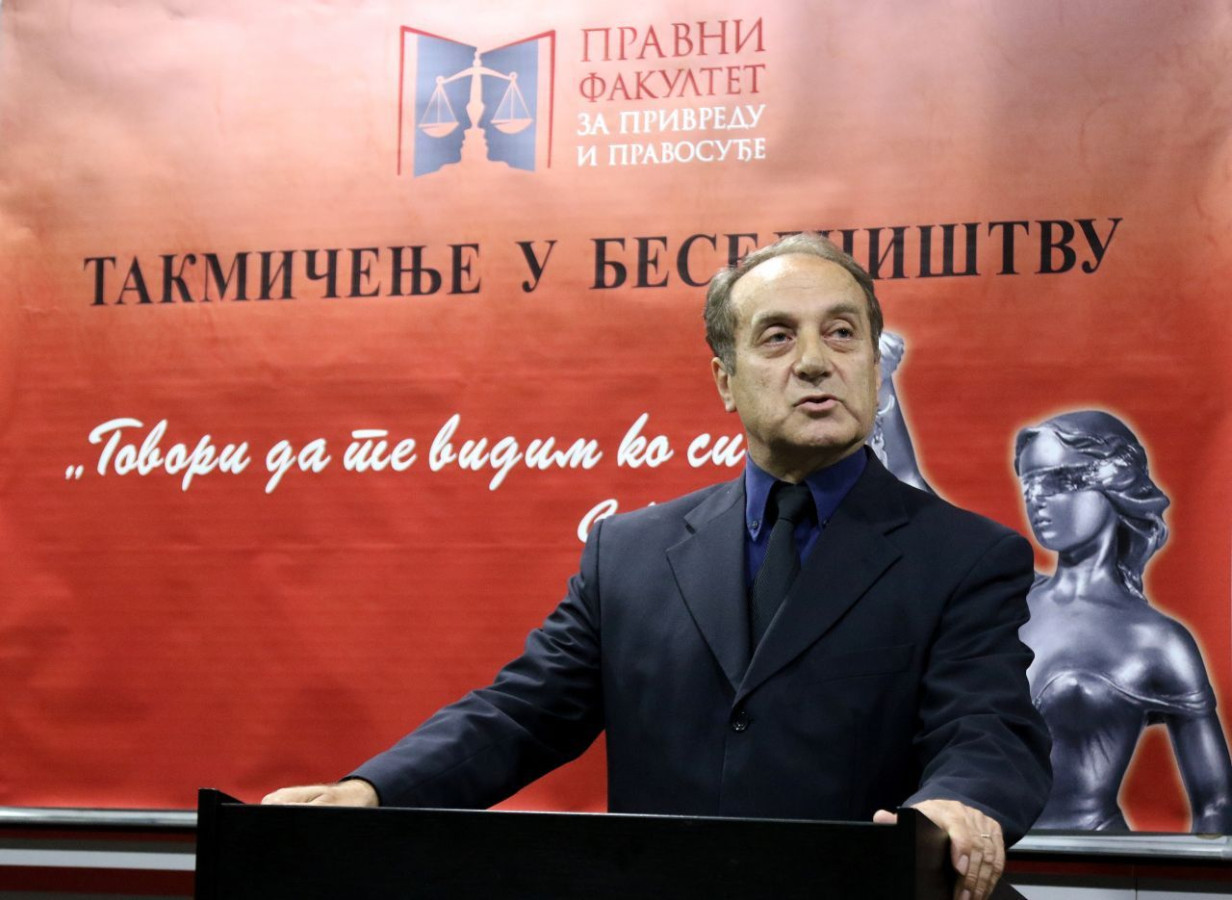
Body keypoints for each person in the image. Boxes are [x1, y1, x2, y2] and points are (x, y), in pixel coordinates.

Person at [265, 233, 1052, 900]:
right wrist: (370, 792)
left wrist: (958, 804)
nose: (816, 361)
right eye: (778, 337)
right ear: (725, 380)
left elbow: (986, 725)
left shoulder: (965, 554)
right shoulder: (630, 553)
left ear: (874, 369)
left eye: (842, 334)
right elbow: (522, 714)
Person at [1015, 410, 1232, 831]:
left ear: (1115, 481)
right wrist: (888, 400)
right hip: (983, 854)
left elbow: (1217, 803)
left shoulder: (1158, 641)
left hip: (1096, 861)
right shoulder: (1009, 595)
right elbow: (922, 506)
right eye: (1030, 485)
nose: (1037, 499)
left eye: (1059, 481)